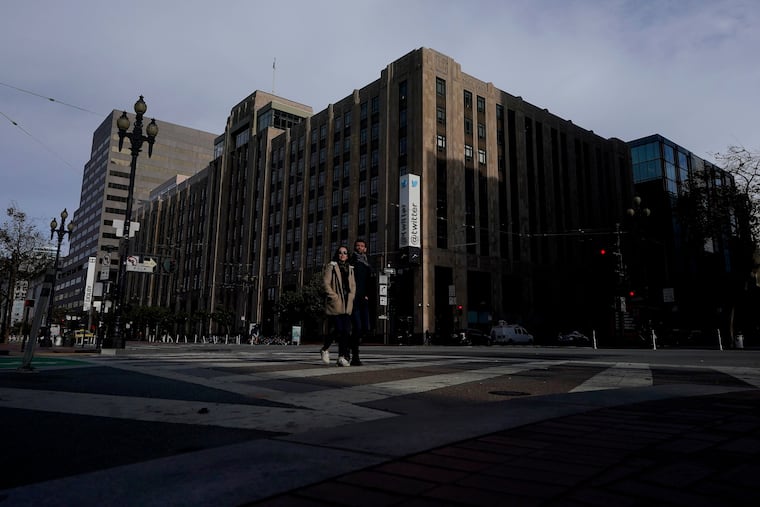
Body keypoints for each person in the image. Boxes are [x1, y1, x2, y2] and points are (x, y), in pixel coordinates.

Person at [321, 246, 356, 366]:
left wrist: (352, 296)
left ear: (347, 255)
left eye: (345, 253)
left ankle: (341, 357)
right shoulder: (331, 266)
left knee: (345, 331)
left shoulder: (350, 268)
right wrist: (333, 296)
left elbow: (353, 285)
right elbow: (326, 283)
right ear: (337, 254)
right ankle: (325, 349)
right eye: (340, 253)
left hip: (347, 303)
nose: (342, 255)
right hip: (336, 303)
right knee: (339, 329)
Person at [349, 239, 373, 365]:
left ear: (365, 249)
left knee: (366, 328)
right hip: (354, 299)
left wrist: (368, 295)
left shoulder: (367, 263)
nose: (359, 247)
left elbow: (369, 282)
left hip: (364, 299)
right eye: (357, 246)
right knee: (357, 327)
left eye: (362, 246)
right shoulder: (352, 261)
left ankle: (349, 346)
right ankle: (355, 357)